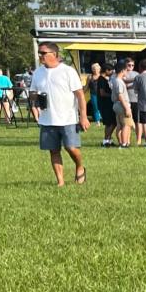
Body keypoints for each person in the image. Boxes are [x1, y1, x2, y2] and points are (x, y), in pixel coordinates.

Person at [31, 41, 89, 186]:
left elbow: (80, 95)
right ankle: (60, 182)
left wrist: (83, 117)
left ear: (54, 54)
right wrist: (35, 101)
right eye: (40, 53)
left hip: (67, 118)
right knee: (53, 150)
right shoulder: (38, 72)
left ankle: (79, 165)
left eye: (43, 53)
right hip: (47, 119)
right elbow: (33, 92)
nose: (40, 56)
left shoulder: (67, 71)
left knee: (71, 148)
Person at [108, 63, 132, 148]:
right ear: (122, 70)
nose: (127, 72)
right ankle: (124, 143)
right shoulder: (119, 81)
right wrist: (127, 108)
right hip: (121, 104)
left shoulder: (115, 80)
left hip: (117, 104)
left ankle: (123, 142)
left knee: (121, 124)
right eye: (126, 70)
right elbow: (120, 95)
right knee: (126, 124)